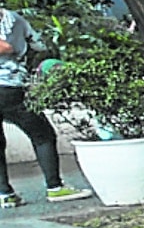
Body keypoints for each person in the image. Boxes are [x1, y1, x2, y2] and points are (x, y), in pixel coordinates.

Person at [0, 15, 88, 206]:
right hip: (8, 87)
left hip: (8, 86)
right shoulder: (11, 19)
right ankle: (55, 188)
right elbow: (9, 47)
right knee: (42, 135)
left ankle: (5, 194)